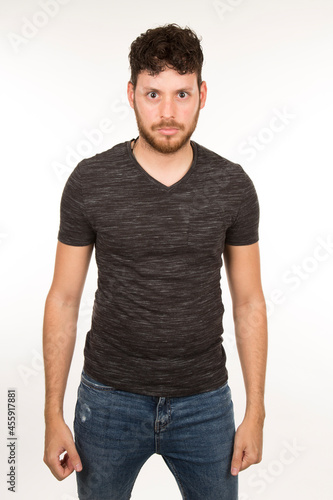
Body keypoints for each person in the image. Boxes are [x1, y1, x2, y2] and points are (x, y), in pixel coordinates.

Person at [43, 23, 267, 500]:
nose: (168, 112)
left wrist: (256, 412)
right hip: (107, 402)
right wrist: (51, 415)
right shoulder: (90, 182)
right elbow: (63, 298)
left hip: (205, 403)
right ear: (131, 94)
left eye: (182, 93)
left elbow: (249, 301)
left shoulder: (232, 185)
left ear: (202, 94)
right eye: (153, 93)